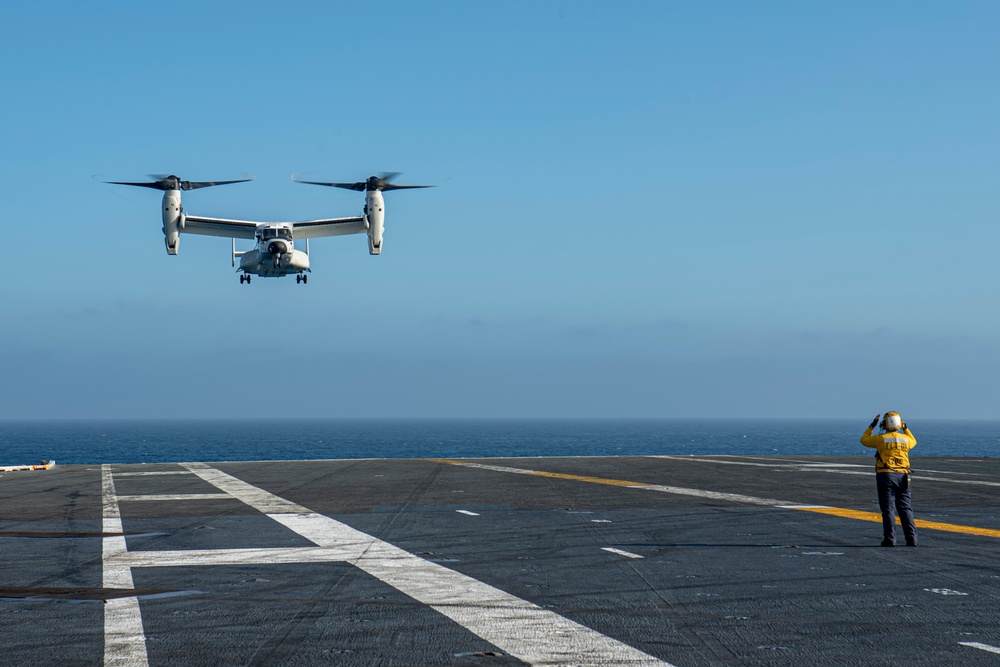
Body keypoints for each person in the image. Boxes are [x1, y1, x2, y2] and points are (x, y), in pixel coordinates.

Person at [860, 411, 917, 547]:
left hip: (886, 475)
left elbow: (864, 440)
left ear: (885, 424)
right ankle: (912, 539)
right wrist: (905, 427)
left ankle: (890, 539)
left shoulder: (881, 438)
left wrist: (872, 425)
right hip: (903, 475)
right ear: (899, 423)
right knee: (905, 508)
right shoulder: (906, 440)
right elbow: (914, 440)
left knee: (888, 509)